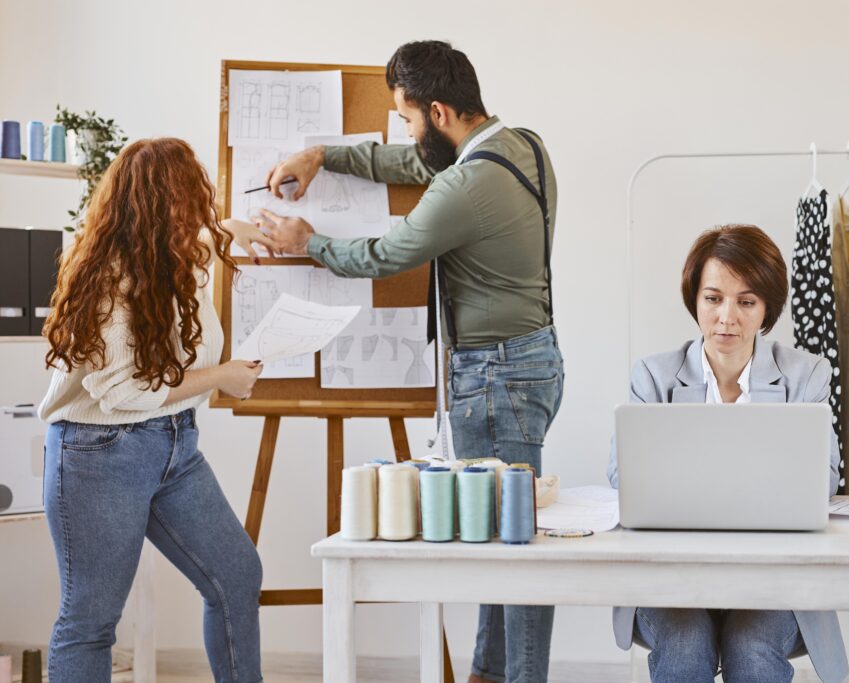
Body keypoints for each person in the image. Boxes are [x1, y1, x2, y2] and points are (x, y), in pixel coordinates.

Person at [249, 40, 563, 683]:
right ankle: (489, 671)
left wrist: (308, 241)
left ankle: (518, 677)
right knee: (503, 530)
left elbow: (384, 255)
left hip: (495, 376)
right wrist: (323, 155)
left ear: (439, 112)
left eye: (409, 118)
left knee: (515, 546)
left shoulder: (465, 186)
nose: (408, 131)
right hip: (530, 361)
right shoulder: (524, 147)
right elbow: (414, 161)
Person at [38, 137, 276, 683]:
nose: (196, 212)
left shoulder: (169, 255)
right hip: (98, 455)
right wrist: (221, 377)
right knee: (91, 620)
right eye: (186, 199)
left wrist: (230, 229)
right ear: (154, 206)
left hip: (173, 445)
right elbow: (122, 393)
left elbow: (200, 241)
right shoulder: (108, 278)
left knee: (236, 576)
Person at [607, 225, 849, 683]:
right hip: (672, 574)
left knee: (751, 645)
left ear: (767, 308)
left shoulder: (807, 375)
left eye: (746, 302)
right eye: (713, 298)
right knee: (684, 642)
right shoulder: (653, 377)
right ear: (695, 300)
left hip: (774, 576)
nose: (726, 317)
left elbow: (825, 478)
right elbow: (625, 476)